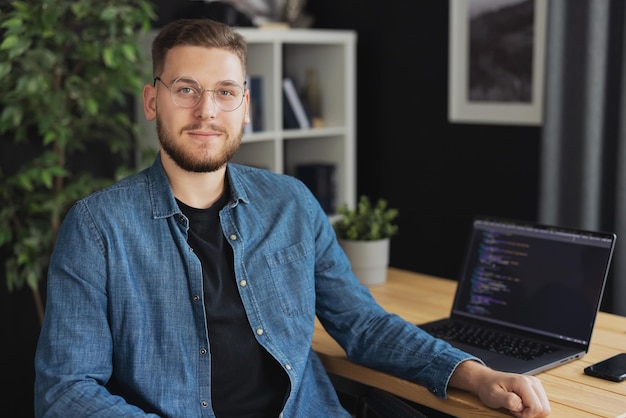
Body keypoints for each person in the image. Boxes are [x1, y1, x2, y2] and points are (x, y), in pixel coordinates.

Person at [34, 18, 551, 418]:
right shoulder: (97, 228)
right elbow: (65, 392)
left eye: (225, 92)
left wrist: (472, 374)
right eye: (185, 89)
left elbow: (364, 325)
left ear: (247, 106)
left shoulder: (292, 203)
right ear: (153, 101)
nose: (206, 110)